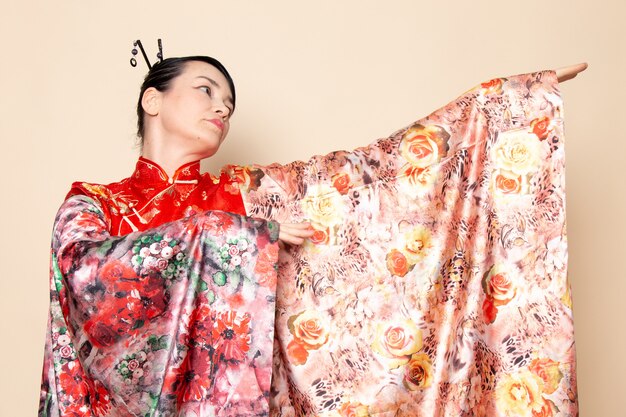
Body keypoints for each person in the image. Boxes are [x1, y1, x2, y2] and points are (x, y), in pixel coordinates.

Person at [39, 56, 586, 417]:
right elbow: (83, 273)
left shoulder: (251, 193)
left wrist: (501, 105)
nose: (222, 107)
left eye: (229, 101)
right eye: (205, 90)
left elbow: (369, 174)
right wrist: (225, 233)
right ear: (152, 100)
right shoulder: (95, 203)